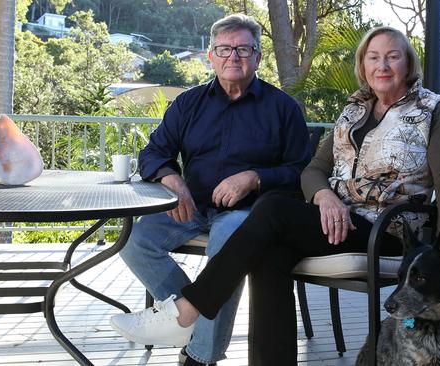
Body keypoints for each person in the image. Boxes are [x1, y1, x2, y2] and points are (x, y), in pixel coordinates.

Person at [113, 26, 440, 365]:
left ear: (408, 63)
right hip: (338, 219)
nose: (382, 66)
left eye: (392, 57)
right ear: (363, 65)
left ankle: (186, 313)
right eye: (373, 57)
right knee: (269, 255)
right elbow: (314, 170)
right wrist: (324, 196)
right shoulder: (354, 109)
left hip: (389, 230)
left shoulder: (431, 110)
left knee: (271, 208)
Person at [109, 14, 311, 366]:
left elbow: (300, 171)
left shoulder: (283, 108)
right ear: (211, 55)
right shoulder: (188, 103)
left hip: (248, 214)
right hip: (190, 206)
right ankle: (185, 317)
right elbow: (154, 152)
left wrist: (254, 177)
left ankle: (200, 357)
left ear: (258, 57)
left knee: (227, 244)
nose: (234, 56)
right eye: (225, 49)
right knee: (133, 241)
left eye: (244, 49)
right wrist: (172, 180)